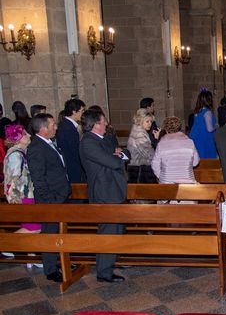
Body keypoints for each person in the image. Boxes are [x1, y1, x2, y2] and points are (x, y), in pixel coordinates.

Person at [79, 108, 129, 283]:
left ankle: (111, 261)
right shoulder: (88, 142)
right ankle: (104, 272)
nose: (107, 124)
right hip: (104, 192)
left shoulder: (103, 139)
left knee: (115, 230)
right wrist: (116, 157)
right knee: (107, 232)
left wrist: (118, 155)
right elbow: (113, 162)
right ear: (95, 125)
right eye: (103, 121)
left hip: (113, 190)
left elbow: (123, 153)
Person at [26, 113, 71, 282]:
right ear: (43, 128)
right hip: (50, 200)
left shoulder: (48, 143)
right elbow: (39, 179)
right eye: (53, 125)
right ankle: (51, 269)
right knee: (49, 233)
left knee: (59, 233)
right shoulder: (36, 147)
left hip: (59, 197)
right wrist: (50, 200)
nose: (56, 127)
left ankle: (61, 261)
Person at [3, 124, 41, 235]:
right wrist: (16, 200)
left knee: (32, 227)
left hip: (25, 195)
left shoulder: (19, 153)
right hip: (23, 196)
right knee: (34, 228)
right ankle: (7, 245)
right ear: (17, 138)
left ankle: (30, 252)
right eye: (24, 134)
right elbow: (13, 180)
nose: (29, 135)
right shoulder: (16, 155)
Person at [152, 116, 199, 183]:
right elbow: (195, 162)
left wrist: (161, 176)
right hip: (187, 181)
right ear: (179, 128)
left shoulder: (161, 144)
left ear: (166, 130)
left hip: (167, 182)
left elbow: (155, 164)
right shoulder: (190, 142)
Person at [56, 98, 85, 183]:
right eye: (82, 111)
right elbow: (74, 150)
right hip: (72, 167)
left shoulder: (67, 125)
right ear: (74, 111)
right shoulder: (67, 127)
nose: (83, 114)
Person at [127, 109, 157, 183]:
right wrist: (156, 140)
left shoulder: (138, 130)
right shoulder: (140, 135)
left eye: (151, 121)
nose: (150, 124)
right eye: (147, 121)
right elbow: (150, 155)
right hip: (139, 171)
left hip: (137, 168)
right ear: (140, 121)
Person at [189, 89, 217, 158]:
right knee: (208, 161)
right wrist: (216, 126)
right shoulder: (207, 112)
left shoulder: (197, 112)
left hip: (197, 137)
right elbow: (209, 129)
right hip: (205, 139)